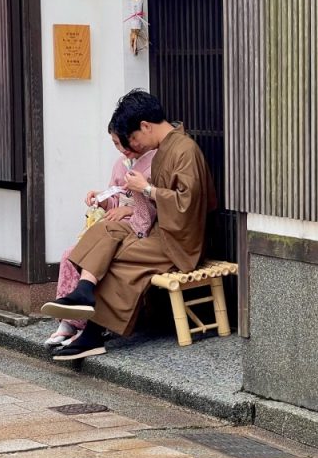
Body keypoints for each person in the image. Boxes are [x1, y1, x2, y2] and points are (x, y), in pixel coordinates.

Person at [41, 90, 217, 360]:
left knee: (117, 261)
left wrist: (145, 189)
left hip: (180, 240)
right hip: (162, 228)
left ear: (145, 126)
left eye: (133, 137)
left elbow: (189, 203)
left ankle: (91, 333)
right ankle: (83, 292)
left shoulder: (184, 150)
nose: (133, 145)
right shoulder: (167, 149)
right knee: (105, 229)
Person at [45, 127, 157, 347]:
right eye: (115, 144)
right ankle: (69, 323)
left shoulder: (156, 161)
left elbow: (157, 208)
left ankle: (89, 325)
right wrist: (103, 201)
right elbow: (115, 198)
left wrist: (128, 210)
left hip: (139, 229)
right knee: (71, 255)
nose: (121, 149)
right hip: (114, 226)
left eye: (123, 142)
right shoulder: (119, 164)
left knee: (100, 261)